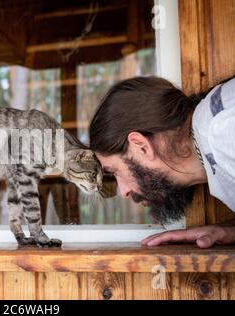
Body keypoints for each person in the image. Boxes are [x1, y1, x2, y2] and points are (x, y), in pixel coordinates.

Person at [89, 76, 235, 248]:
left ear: (141, 146)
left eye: (115, 171)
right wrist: (231, 230)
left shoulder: (223, 132)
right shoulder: (215, 132)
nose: (124, 192)